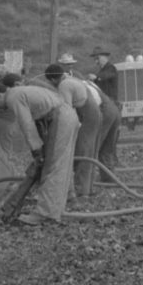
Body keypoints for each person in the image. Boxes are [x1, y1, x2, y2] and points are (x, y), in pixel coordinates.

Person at [0, 80, 79, 225]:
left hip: (60, 117)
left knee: (52, 167)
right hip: (67, 115)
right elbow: (37, 120)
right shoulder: (21, 91)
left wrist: (36, 149)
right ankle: (56, 208)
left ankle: (45, 214)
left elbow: (27, 124)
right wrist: (40, 150)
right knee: (60, 165)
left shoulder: (12, 98)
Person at [45, 60, 100, 199]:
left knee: (83, 151)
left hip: (88, 115)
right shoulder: (71, 79)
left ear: (52, 79)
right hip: (92, 113)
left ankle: (81, 190)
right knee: (88, 151)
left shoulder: (64, 85)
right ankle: (86, 188)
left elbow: (67, 111)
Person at [0, 66, 29, 200]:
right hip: (6, 121)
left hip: (6, 121)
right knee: (4, 150)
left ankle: (6, 182)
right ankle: (7, 181)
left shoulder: (7, 90)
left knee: (4, 150)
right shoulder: (5, 90)